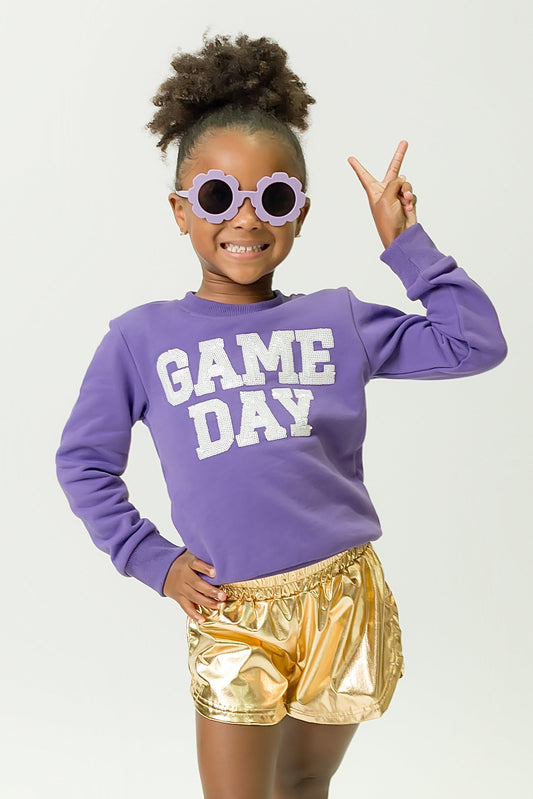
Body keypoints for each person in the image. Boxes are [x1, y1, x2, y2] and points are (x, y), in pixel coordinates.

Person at [55, 31, 507, 799]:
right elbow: (83, 461)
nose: (244, 219)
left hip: (343, 595)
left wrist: (407, 246)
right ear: (179, 209)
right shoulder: (139, 338)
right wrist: (151, 559)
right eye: (215, 196)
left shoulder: (338, 320)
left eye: (271, 198)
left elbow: (474, 343)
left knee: (301, 783)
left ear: (297, 213)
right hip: (231, 609)